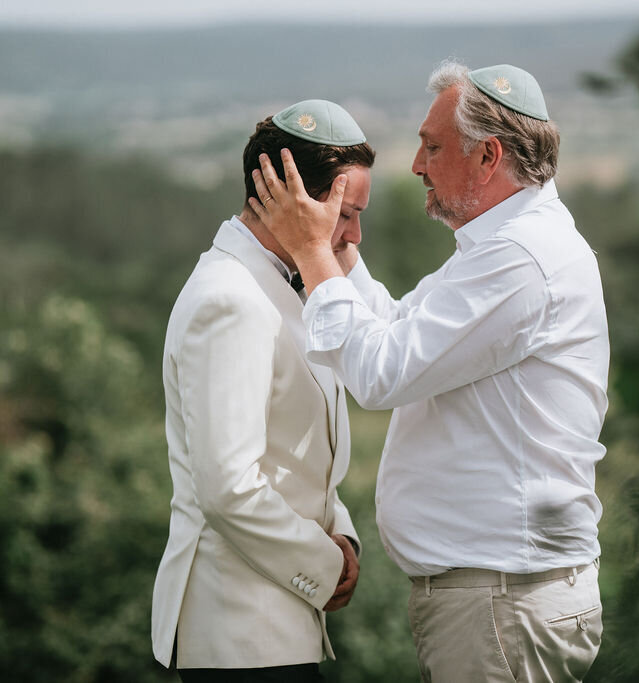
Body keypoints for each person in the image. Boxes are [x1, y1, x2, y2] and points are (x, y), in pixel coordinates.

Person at [250, 61, 609, 682]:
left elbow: (381, 375)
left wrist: (310, 253)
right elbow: (395, 328)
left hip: (501, 604)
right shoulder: (505, 246)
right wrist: (338, 247)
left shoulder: (520, 259)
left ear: (488, 156)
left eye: (432, 145)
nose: (416, 164)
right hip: (496, 601)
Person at [151, 99, 373, 682]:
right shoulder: (230, 299)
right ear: (293, 197)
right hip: (241, 637)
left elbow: (291, 455)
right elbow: (228, 488)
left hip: (277, 632)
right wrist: (325, 565)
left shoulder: (289, 285)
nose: (354, 235)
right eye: (346, 214)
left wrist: (342, 531)